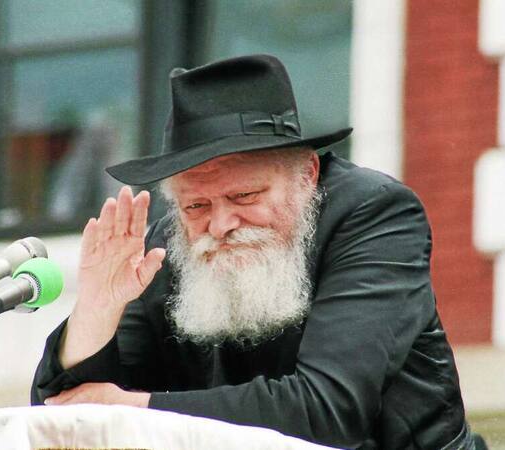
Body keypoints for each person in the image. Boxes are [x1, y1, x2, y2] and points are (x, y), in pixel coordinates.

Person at [32, 54, 478, 449]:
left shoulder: (373, 214)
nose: (221, 225)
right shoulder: (170, 243)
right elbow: (62, 413)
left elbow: (329, 410)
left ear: (306, 174)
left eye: (245, 196)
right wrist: (96, 310)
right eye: (197, 205)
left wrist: (138, 410)